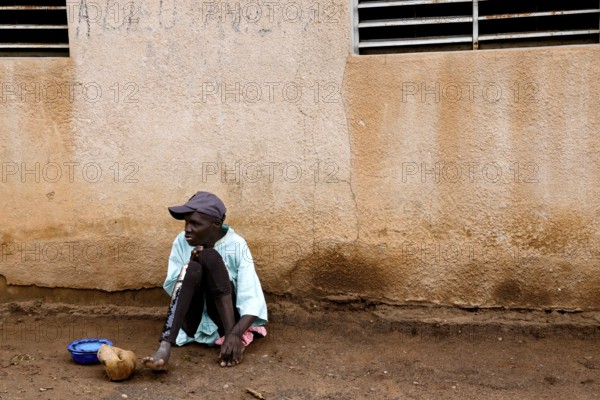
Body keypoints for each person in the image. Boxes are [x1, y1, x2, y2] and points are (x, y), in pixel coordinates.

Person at [143, 191, 268, 370]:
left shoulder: (237, 245)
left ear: (215, 224)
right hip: (192, 322)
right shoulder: (181, 241)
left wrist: (235, 335)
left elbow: (252, 298)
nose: (187, 228)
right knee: (192, 267)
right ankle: (164, 347)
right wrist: (192, 267)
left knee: (209, 256)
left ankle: (229, 339)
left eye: (195, 223)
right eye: (186, 222)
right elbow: (173, 288)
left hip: (224, 324)